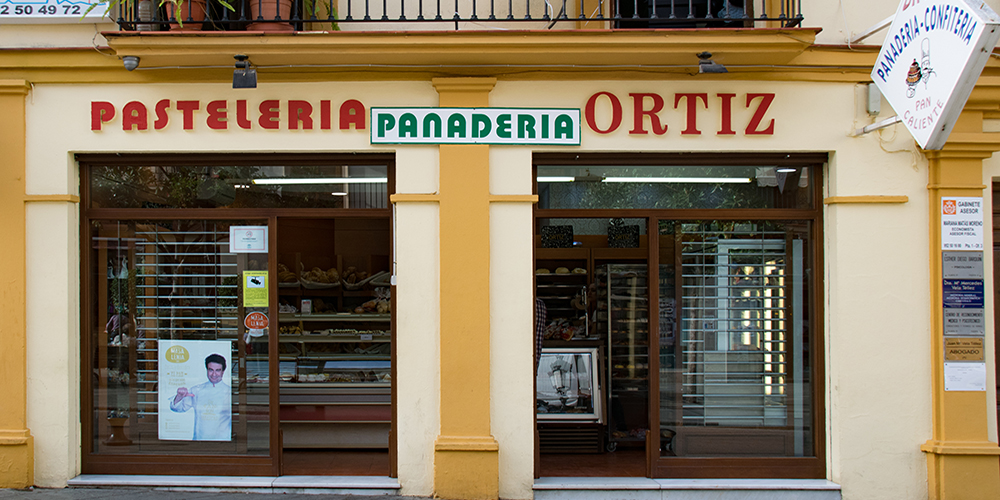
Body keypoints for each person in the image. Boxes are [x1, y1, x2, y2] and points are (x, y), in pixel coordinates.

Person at [169, 353, 232, 441]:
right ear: (206, 370)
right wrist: (179, 396)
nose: (214, 374)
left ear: (223, 371)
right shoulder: (196, 390)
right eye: (211, 370)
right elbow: (178, 408)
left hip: (223, 440)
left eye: (217, 370)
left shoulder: (230, 392)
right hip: (200, 439)